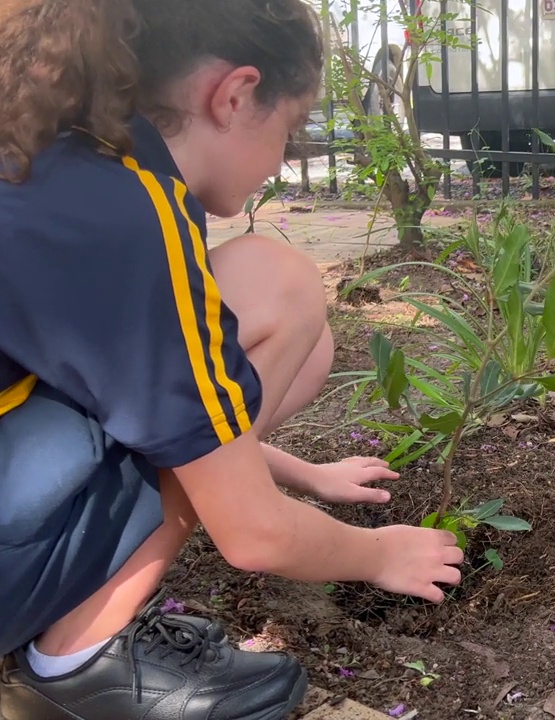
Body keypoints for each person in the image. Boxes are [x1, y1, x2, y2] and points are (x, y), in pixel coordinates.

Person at [0, 1, 466, 718]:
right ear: (235, 94)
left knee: (299, 340)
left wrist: (302, 473)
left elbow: (123, 394)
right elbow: (252, 534)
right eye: (292, 130)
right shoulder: (131, 216)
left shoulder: (55, 160)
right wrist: (381, 555)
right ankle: (80, 653)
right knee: (279, 287)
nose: (285, 160)